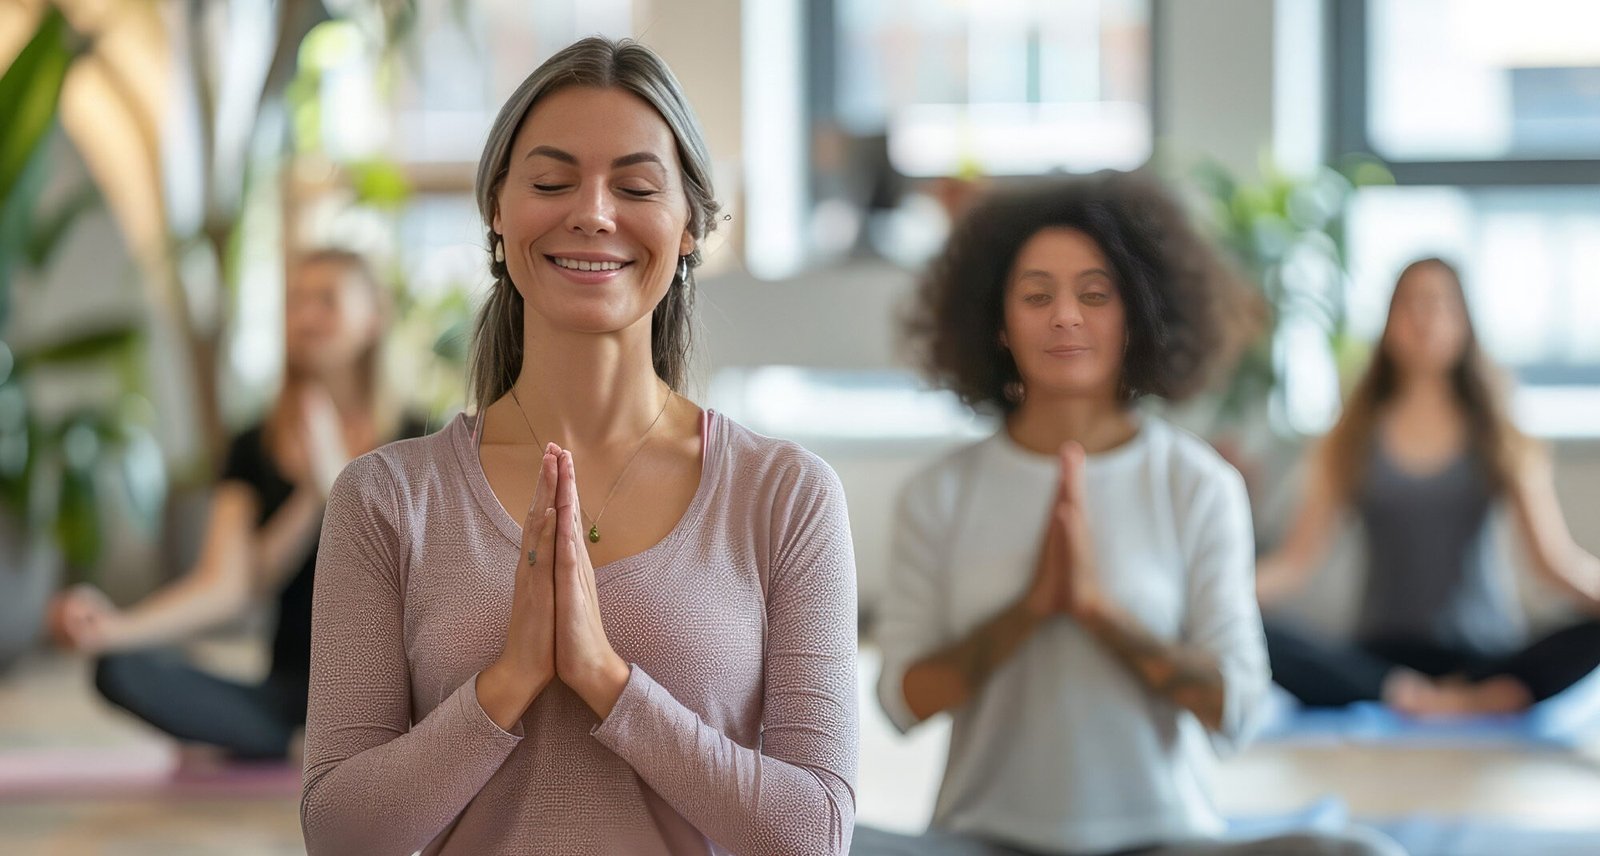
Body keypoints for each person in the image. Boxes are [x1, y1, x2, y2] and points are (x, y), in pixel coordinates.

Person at [298, 37, 858, 856]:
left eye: (634, 186)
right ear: (497, 211)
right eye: (552, 182)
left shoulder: (786, 495)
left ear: (691, 225)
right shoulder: (386, 497)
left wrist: (606, 681)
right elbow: (340, 832)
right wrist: (507, 683)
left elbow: (815, 834)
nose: (592, 212)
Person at [858, 174, 1403, 856]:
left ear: (1136, 315)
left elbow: (1235, 711)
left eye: (1094, 294)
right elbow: (900, 702)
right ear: (998, 323)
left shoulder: (1197, 484)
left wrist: (1099, 614)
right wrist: (1029, 611)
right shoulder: (941, 494)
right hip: (980, 841)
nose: (1065, 316)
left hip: (1165, 841)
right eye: (1036, 295)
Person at [47, 248, 422, 761]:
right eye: (296, 302)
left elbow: (425, 585)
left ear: (373, 318)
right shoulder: (254, 444)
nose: (306, 316)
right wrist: (113, 628)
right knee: (120, 667)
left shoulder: (421, 436)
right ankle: (300, 740)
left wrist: (339, 484)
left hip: (398, 693)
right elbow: (231, 585)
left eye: (327, 300)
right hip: (293, 693)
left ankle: (346, 740)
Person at [1256, 257, 1600, 716]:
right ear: (1388, 323)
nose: (1425, 320)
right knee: (1253, 629)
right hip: (1380, 662)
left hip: (1485, 656)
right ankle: (1424, 698)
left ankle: (1462, 695)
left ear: (1464, 323)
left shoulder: (1498, 431)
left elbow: (1553, 562)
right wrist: (1213, 595)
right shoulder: (1353, 435)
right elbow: (1294, 564)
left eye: (1440, 305)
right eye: (1410, 305)